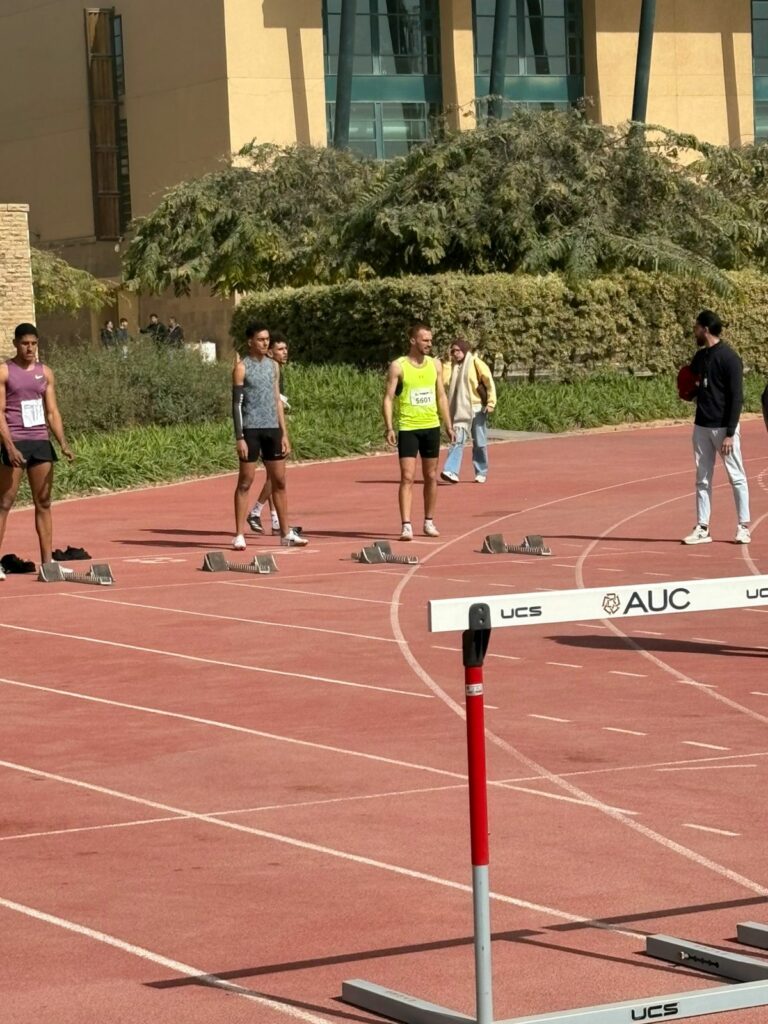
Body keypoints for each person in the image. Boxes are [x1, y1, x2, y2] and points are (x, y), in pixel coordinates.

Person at [0, 323, 74, 579]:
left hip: (40, 441)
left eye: (33, 343)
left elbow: (52, 412)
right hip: (15, 441)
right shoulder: (4, 371)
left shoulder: (45, 373)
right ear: (16, 344)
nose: (29, 348)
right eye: (25, 343)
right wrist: (9, 446)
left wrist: (63, 442)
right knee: (4, 502)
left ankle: (48, 563)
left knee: (43, 502)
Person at [232, 322, 306, 549]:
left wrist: (284, 433)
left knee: (279, 481)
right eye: (261, 339)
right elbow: (236, 405)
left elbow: (277, 400)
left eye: (267, 339)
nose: (265, 343)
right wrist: (240, 437)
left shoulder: (274, 367)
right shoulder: (241, 368)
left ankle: (285, 533)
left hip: (272, 429)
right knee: (246, 481)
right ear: (250, 342)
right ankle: (239, 534)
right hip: (251, 430)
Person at [681, 310, 751, 545]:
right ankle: (702, 527)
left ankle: (743, 527)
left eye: (696, 327)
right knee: (702, 478)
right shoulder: (700, 357)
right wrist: (690, 392)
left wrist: (730, 433)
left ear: (705, 329)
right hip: (701, 426)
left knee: (736, 477)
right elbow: (693, 383)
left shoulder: (730, 358)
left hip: (723, 429)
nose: (694, 331)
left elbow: (736, 397)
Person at [383, 322, 454, 541]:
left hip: (431, 426)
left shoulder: (435, 364)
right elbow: (388, 398)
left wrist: (448, 424)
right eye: (425, 340)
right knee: (407, 476)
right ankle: (406, 525)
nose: (429, 344)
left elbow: (441, 395)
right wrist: (389, 427)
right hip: (408, 427)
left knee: (431, 476)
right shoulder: (398, 366)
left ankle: (429, 521)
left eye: (431, 340)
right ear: (413, 340)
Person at [247, 331, 290, 535]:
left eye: (286, 348)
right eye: (280, 349)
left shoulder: (275, 370)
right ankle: (256, 511)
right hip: (263, 428)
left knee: (273, 475)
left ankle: (275, 520)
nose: (285, 352)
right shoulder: (267, 369)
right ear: (271, 352)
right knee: (276, 475)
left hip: (272, 426)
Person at [440, 338, 496, 484]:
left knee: (479, 442)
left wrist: (491, 402)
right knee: (457, 439)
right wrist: (447, 363)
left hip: (477, 408)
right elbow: (445, 382)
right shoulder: (453, 365)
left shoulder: (475, 362)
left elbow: (489, 382)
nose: (455, 354)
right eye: (453, 351)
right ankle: (451, 471)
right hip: (460, 409)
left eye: (457, 351)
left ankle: (481, 471)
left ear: (464, 350)